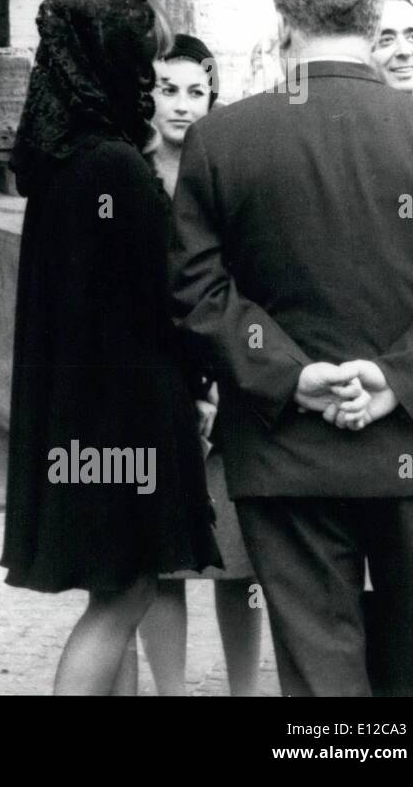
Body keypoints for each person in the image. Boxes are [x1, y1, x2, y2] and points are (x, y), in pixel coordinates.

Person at [171, 0, 413, 697]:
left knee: (320, 675)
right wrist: (399, 378)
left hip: (284, 452)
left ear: (286, 24)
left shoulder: (222, 140)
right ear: (373, 20)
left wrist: (291, 377)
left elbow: (196, 291)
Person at [1, 0, 221, 695]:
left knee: (113, 593)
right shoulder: (116, 165)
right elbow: (169, 300)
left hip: (80, 417)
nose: (148, 83)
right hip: (127, 414)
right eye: (143, 63)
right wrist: (207, 379)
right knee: (126, 596)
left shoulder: (59, 162)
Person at [135, 34, 262, 697]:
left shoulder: (232, 172)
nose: (182, 105)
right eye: (167, 88)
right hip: (157, 395)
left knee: (237, 563)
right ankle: (172, 694)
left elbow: (247, 287)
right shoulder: (128, 176)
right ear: (146, 93)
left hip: (228, 392)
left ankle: (244, 694)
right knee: (164, 565)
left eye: (196, 90)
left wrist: (216, 385)